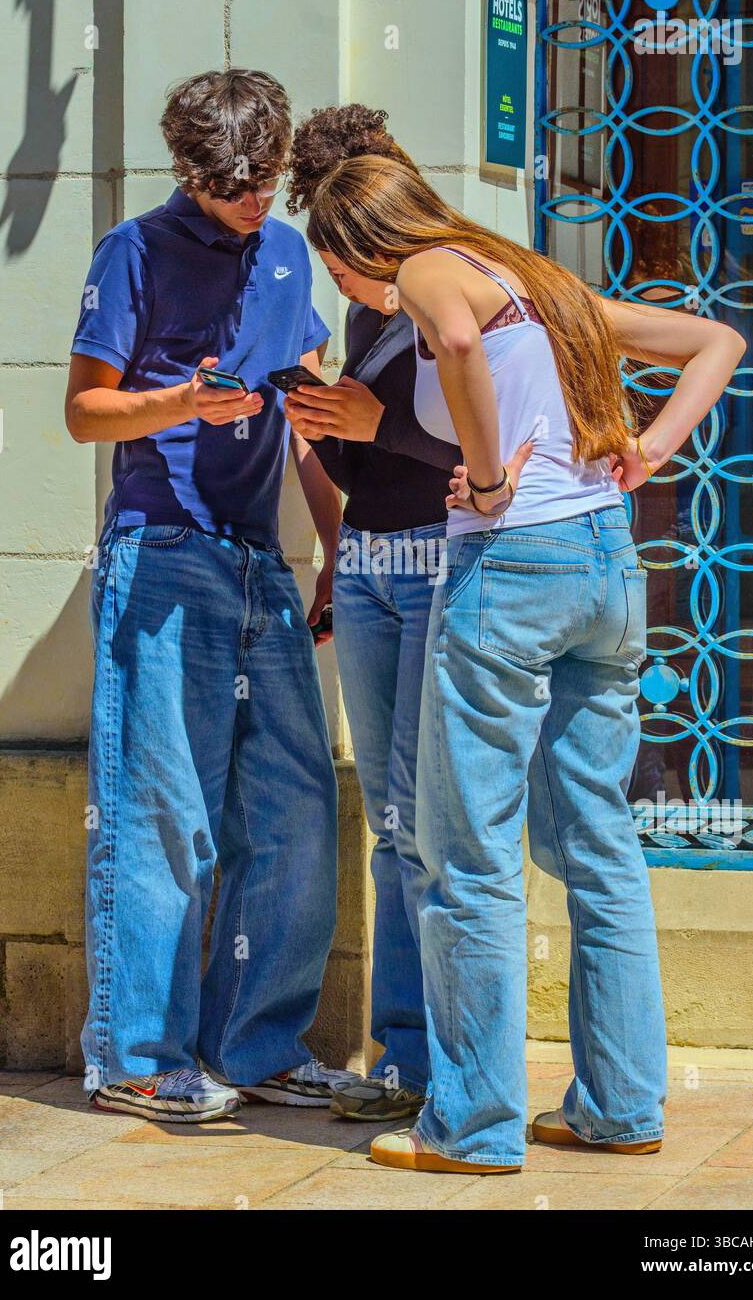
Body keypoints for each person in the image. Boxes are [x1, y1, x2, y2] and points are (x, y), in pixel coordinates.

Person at [303, 154, 746, 1172]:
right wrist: (651, 446)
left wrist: (491, 476)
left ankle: (471, 1124)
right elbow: (715, 340)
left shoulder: (426, 270)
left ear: (363, 243)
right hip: (605, 561)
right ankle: (621, 1106)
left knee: (467, 858)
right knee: (598, 843)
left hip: (510, 569)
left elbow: (453, 337)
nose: (348, 289)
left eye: (338, 266)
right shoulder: (545, 283)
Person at [65, 69, 357, 1122]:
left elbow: (310, 415)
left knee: (293, 813)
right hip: (162, 554)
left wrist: (333, 544)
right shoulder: (132, 252)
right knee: (160, 817)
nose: (255, 199)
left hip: (257, 565)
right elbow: (85, 415)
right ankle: (139, 1057)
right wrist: (178, 401)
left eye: (268, 179)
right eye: (234, 182)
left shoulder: (283, 253)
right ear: (188, 169)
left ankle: (258, 1044)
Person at [282, 106, 461, 1122]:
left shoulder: (452, 292)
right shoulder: (362, 314)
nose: (352, 255)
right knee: (390, 824)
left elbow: (489, 459)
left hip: (441, 568)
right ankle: (401, 1057)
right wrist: (315, 423)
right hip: (370, 567)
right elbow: (371, 471)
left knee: (430, 821)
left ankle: (447, 1062)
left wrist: (376, 419)